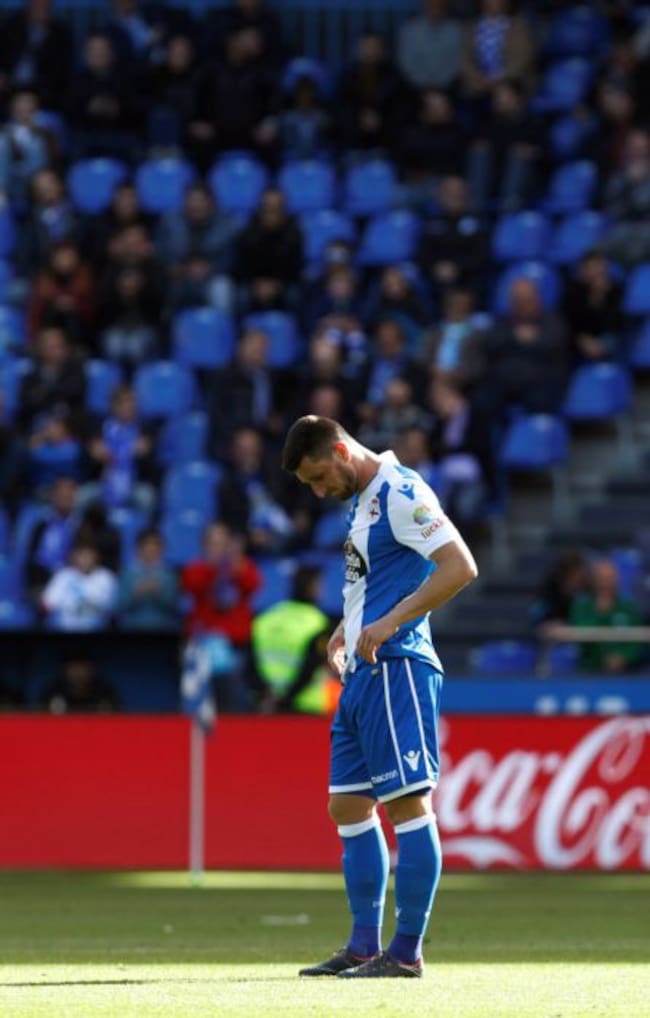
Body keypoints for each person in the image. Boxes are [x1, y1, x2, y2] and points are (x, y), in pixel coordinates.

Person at [282, 415, 477, 978]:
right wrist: (348, 625)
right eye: (310, 486)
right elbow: (378, 578)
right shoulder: (363, 500)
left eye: (320, 476)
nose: (319, 491)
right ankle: (364, 944)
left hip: (397, 668)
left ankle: (407, 952)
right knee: (346, 806)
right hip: (362, 673)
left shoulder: (400, 490)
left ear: (341, 450)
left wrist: (389, 622)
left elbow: (459, 567)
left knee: (407, 807)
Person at [568, 558, 645, 673]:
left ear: (617, 580)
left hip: (627, 672)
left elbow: (637, 640)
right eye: (601, 578)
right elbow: (579, 632)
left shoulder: (628, 607)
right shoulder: (582, 606)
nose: (605, 582)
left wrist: (622, 657)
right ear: (593, 580)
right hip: (589, 670)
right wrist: (601, 612)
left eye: (609, 578)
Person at [41, 539, 118, 631]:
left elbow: (113, 610)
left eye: (89, 556)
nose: (85, 560)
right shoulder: (63, 576)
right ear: (74, 556)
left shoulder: (106, 578)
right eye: (81, 555)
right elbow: (47, 604)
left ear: (96, 557)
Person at [118, 529, 178, 629]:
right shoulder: (127, 574)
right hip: (132, 629)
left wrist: (158, 592)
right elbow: (120, 605)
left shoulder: (168, 575)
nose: (150, 553)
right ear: (139, 550)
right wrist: (136, 593)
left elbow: (173, 605)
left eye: (154, 549)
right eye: (147, 549)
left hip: (163, 630)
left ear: (161, 550)